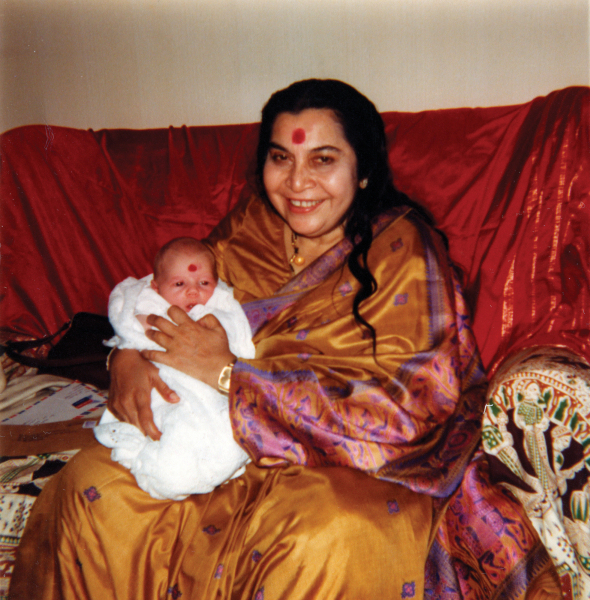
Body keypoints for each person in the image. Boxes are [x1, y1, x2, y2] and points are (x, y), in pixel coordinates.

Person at [10, 79, 561, 600]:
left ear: (363, 168)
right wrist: (127, 356)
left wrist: (231, 376)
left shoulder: (405, 249)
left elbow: (414, 412)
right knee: (89, 488)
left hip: (360, 466)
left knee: (323, 539)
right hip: (226, 443)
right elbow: (167, 293)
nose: (297, 184)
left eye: (323, 159)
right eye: (281, 158)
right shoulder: (253, 223)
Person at [94, 237, 254, 500]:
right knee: (169, 436)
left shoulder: (221, 309)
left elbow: (240, 342)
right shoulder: (149, 308)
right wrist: (127, 353)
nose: (193, 292)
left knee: (223, 437)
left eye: (204, 283)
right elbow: (131, 334)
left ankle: (195, 470)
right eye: (180, 284)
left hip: (212, 392)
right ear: (156, 288)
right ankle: (163, 468)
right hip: (166, 389)